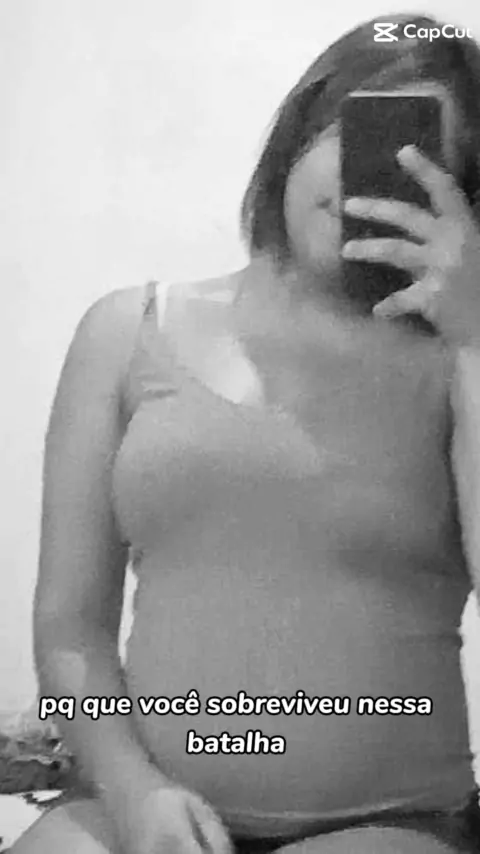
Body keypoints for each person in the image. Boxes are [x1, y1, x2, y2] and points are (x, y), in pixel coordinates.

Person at [11, 12, 480, 854]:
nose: (367, 175)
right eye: (354, 129)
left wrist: (476, 338)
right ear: (300, 132)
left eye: (420, 161)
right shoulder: (126, 331)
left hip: (390, 824)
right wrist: (136, 793)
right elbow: (70, 626)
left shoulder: (457, 364)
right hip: (141, 811)